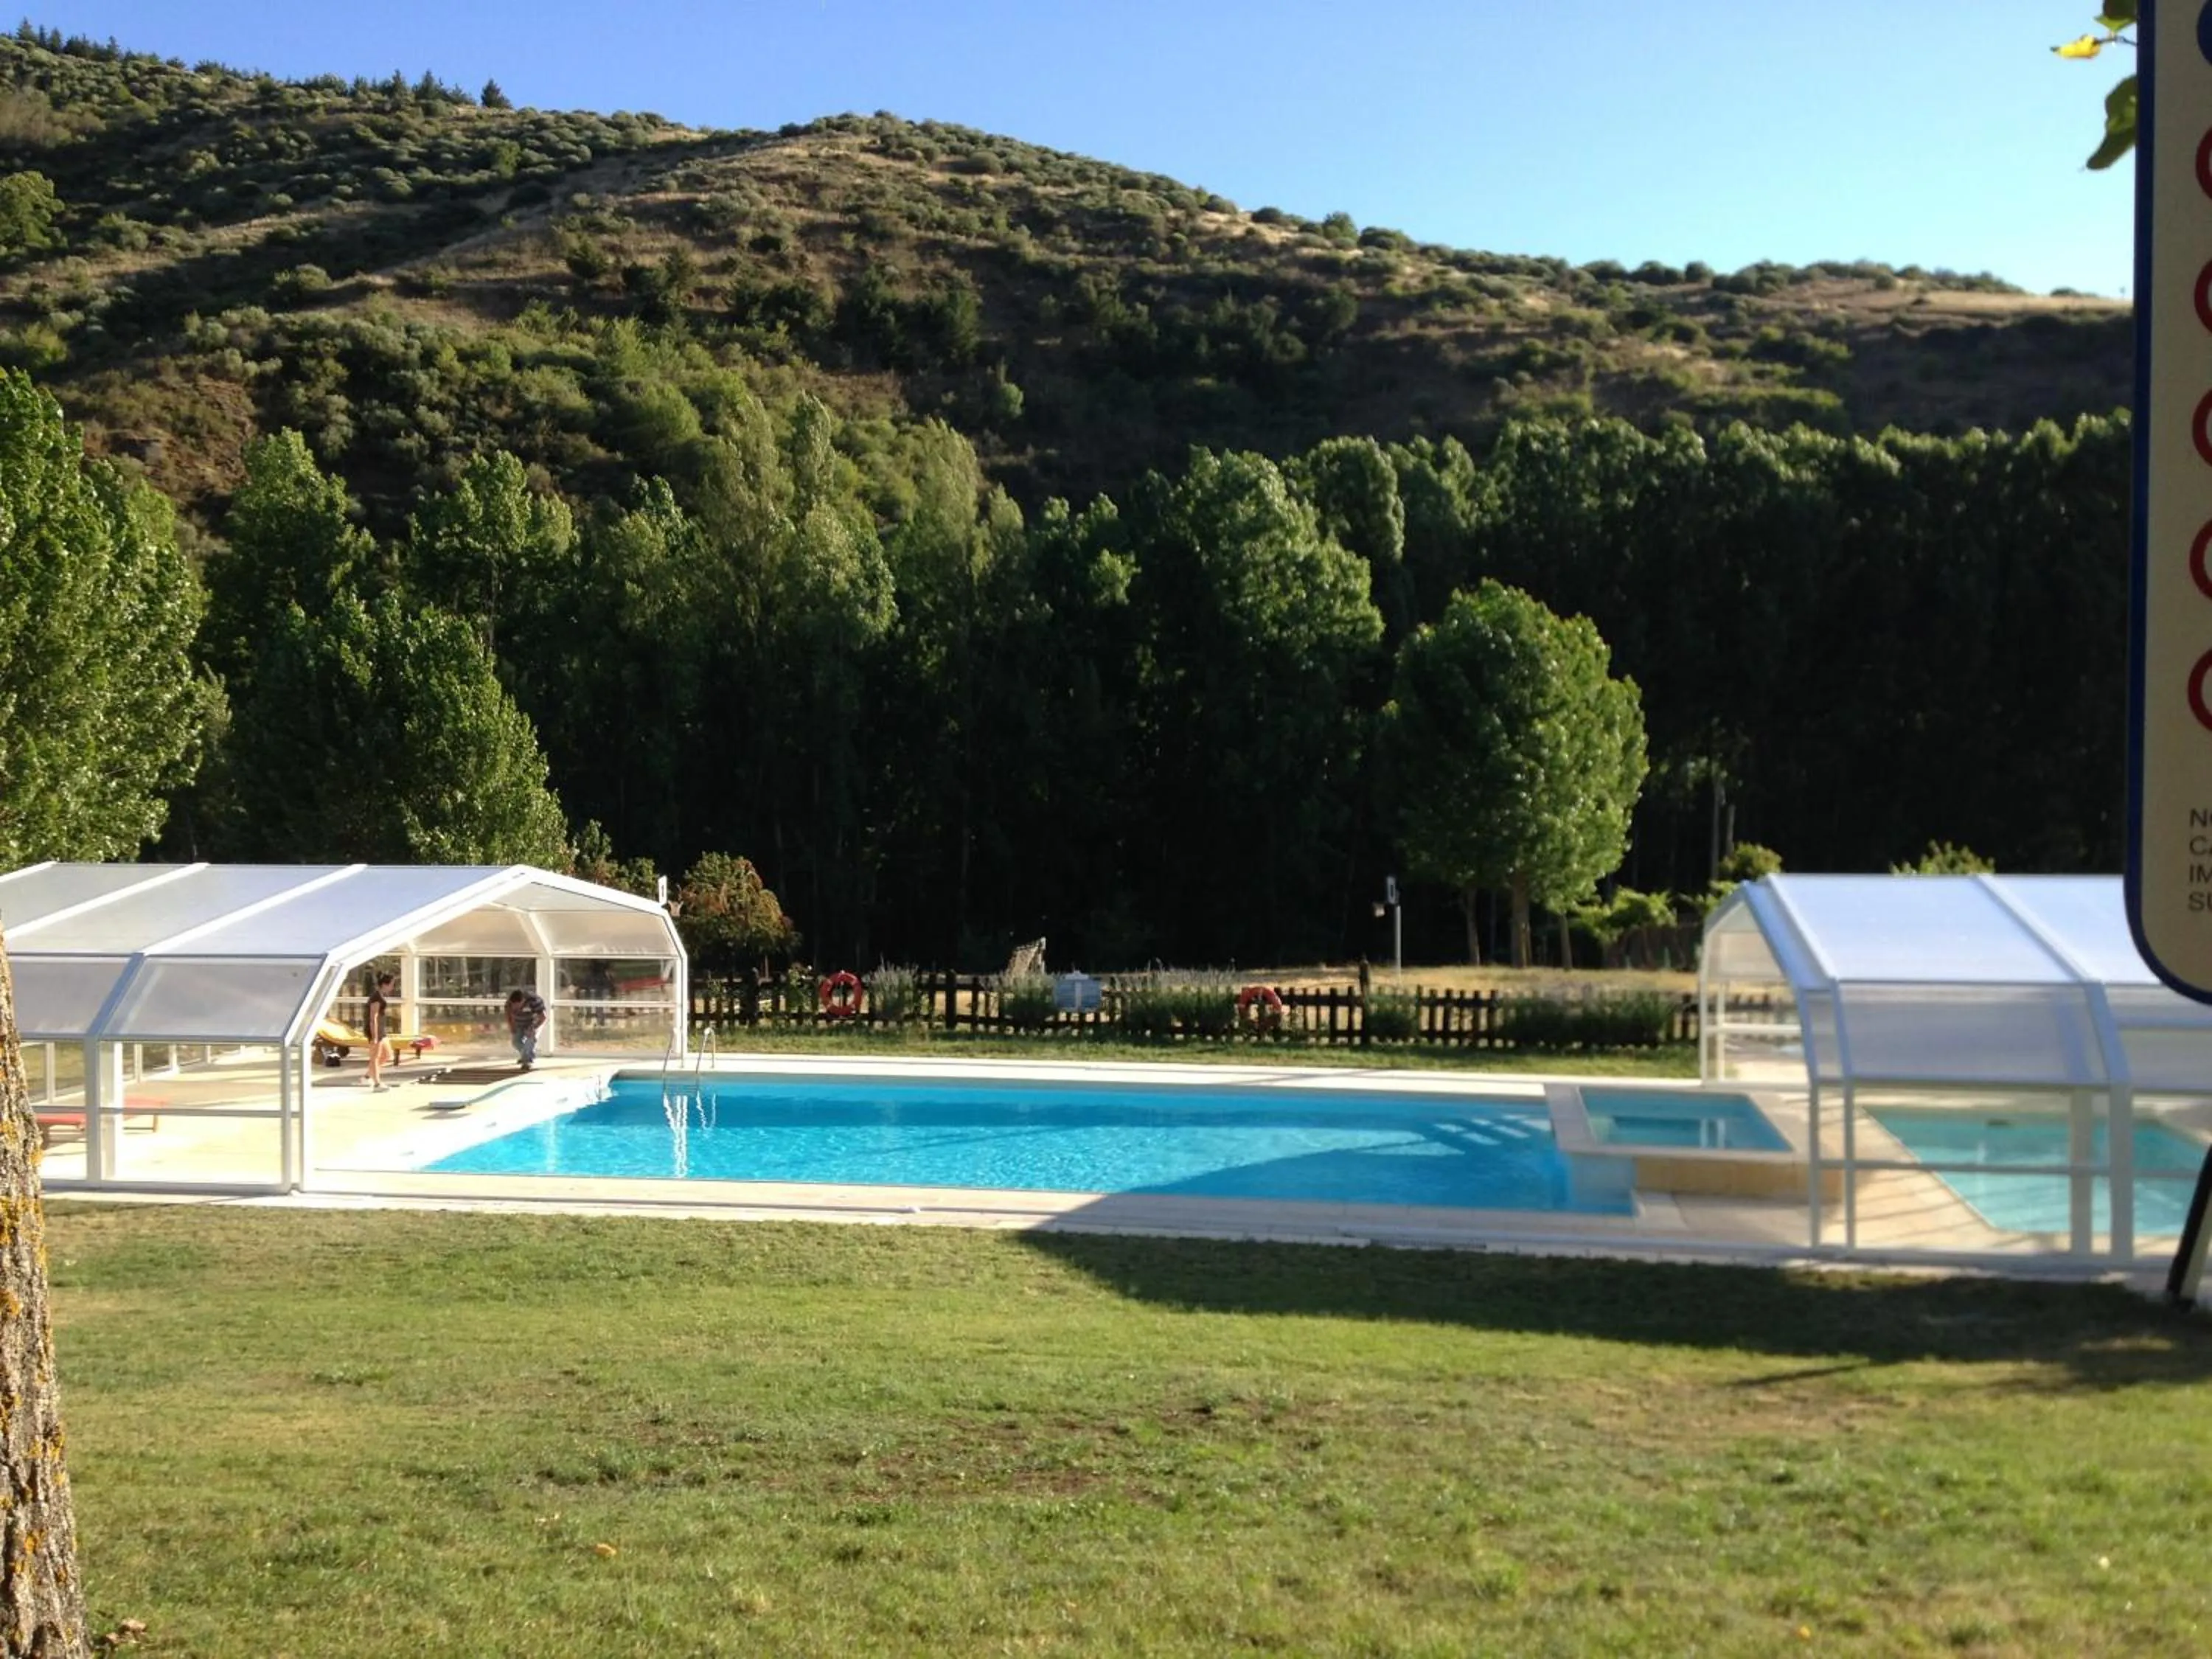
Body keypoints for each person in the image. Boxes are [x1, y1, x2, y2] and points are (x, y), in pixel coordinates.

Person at [364, 971, 396, 1091]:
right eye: (392, 984)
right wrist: (375, 1036)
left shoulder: (381, 995)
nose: (393, 987)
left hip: (381, 1029)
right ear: (385, 985)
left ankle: (368, 1075)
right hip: (375, 1030)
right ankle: (377, 1084)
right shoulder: (376, 998)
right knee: (375, 1057)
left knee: (387, 1055)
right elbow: (373, 1018)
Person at [504, 987, 548, 1072]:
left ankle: (526, 1061)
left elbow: (543, 1017)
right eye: (514, 1007)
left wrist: (534, 1028)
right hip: (519, 1023)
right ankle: (528, 1055)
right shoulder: (509, 1003)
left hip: (534, 1022)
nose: (516, 1009)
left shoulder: (534, 1001)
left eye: (518, 1006)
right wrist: (511, 1026)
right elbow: (508, 1015)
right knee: (515, 1042)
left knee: (530, 1040)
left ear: (523, 1001)